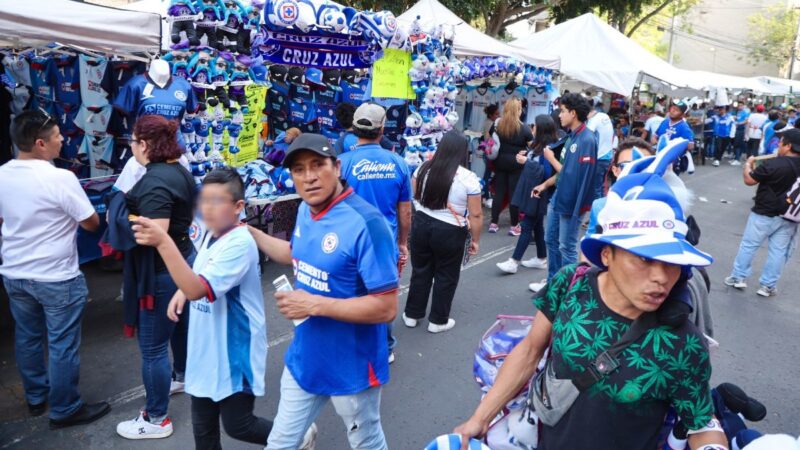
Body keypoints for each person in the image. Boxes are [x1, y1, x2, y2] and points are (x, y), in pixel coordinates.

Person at [454, 169, 728, 450]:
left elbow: (700, 423)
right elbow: (529, 350)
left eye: (671, 261)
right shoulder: (570, 284)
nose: (661, 277)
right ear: (607, 254)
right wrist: (480, 417)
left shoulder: (683, 343)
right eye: (644, 259)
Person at [248, 134, 398, 450]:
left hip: (353, 366)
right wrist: (250, 232)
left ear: (337, 166)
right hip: (305, 358)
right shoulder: (305, 209)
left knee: (366, 440)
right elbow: (297, 253)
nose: (309, 176)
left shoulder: (368, 224)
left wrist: (314, 304)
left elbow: (385, 308)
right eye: (299, 169)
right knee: (280, 443)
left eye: (318, 165)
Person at [130, 168, 272, 449]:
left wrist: (163, 241)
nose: (207, 208)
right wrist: (182, 290)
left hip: (235, 351)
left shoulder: (240, 243)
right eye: (204, 200)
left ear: (238, 207)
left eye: (216, 201)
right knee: (203, 429)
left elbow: (199, 288)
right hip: (206, 349)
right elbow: (201, 274)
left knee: (239, 425)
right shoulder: (211, 234)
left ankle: (296, 435)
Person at [0, 110, 109, 428]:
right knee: (61, 343)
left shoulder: (3, 174)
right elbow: (91, 223)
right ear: (39, 144)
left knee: (28, 337)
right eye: (57, 136)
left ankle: (36, 398)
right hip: (56, 276)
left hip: (15, 272)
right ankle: (65, 408)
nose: (63, 139)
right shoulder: (59, 178)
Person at [116, 115, 197, 440]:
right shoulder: (178, 170)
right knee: (178, 329)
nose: (132, 147)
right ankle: (182, 376)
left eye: (133, 142)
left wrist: (121, 214)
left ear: (145, 144)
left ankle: (156, 418)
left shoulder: (155, 179)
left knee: (152, 347)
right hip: (181, 261)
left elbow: (155, 232)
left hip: (163, 272)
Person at [338, 102, 412, 362]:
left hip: (347, 244)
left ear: (355, 129)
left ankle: (351, 344)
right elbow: (405, 212)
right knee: (382, 295)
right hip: (384, 244)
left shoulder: (340, 163)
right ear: (382, 130)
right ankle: (385, 347)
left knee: (349, 294)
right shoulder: (399, 163)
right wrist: (403, 243)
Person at [404, 131, 483, 333]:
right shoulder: (469, 179)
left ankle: (412, 314)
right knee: (446, 275)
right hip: (450, 231)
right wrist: (475, 240)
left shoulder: (422, 168)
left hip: (421, 225)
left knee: (420, 270)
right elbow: (476, 215)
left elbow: (414, 196)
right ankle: (437, 321)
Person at [530, 93, 597, 292]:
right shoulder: (572, 136)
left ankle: (570, 289)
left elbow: (573, 175)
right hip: (560, 196)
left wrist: (550, 158)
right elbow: (566, 171)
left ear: (573, 113)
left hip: (571, 201)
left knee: (566, 247)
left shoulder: (586, 139)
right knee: (551, 240)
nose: (559, 115)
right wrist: (544, 185)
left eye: (563, 111)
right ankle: (554, 283)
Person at [724, 128, 800, 297]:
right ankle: (768, 286)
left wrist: (748, 165)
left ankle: (738, 277)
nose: (778, 145)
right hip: (789, 216)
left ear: (788, 146)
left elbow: (749, 180)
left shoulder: (773, 164)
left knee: (749, 246)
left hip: (763, 213)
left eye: (781, 142)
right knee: (778, 252)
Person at [496, 115, 557, 275]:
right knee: (537, 227)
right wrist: (527, 156)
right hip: (533, 190)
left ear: (541, 129)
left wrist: (526, 161)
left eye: (534, 126)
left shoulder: (547, 148)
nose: (532, 129)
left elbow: (547, 173)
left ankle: (514, 261)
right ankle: (541, 258)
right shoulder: (539, 146)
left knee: (527, 226)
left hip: (539, 192)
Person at [488, 98, 532, 236]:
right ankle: (514, 226)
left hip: (499, 161)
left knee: (499, 193)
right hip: (516, 163)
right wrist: (525, 152)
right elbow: (533, 146)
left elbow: (490, 139)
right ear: (518, 110)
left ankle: (493, 223)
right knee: (514, 194)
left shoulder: (498, 125)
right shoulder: (524, 128)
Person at [586, 100, 615, 200]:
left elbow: (586, 136)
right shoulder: (604, 116)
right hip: (607, 156)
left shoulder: (593, 121)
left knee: (596, 189)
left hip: (599, 157)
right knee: (601, 186)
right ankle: (602, 207)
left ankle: (597, 212)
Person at [480, 104, 500, 208]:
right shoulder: (489, 124)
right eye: (496, 114)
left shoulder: (491, 122)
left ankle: (486, 195)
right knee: (487, 176)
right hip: (489, 153)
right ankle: (485, 196)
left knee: (488, 175)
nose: (499, 115)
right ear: (491, 115)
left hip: (489, 153)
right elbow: (487, 139)